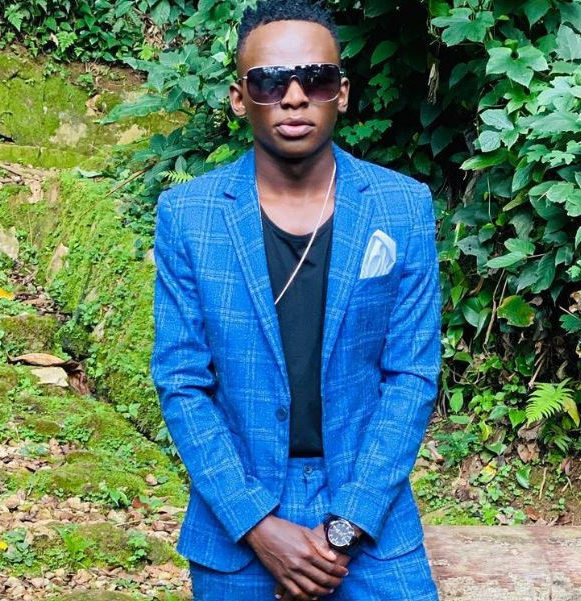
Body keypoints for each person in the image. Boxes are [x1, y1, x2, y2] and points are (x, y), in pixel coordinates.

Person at [149, 1, 441, 599]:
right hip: (238, 525)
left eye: (316, 79)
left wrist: (346, 524)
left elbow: (411, 375)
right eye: (269, 82)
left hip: (371, 518)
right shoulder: (190, 215)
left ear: (342, 93)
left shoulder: (401, 206)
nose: (294, 97)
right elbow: (181, 381)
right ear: (240, 98)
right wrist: (257, 525)